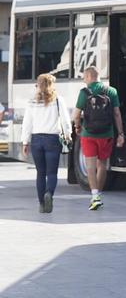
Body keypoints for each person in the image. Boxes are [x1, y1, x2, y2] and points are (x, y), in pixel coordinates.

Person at [72, 66, 124, 211]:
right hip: (107, 134)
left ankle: (94, 196)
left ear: (89, 77)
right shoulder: (111, 91)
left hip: (88, 134)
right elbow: (117, 114)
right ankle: (98, 195)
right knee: (102, 165)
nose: (83, 80)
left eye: (84, 77)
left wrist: (77, 126)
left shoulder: (84, 92)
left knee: (90, 165)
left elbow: (76, 115)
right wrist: (120, 133)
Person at [21, 73, 72, 213]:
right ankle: (49, 193)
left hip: (36, 140)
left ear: (38, 84)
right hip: (52, 140)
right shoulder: (57, 100)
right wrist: (68, 135)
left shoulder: (32, 102)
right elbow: (66, 121)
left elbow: (27, 123)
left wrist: (25, 142)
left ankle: (42, 204)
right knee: (52, 173)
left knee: (40, 173)